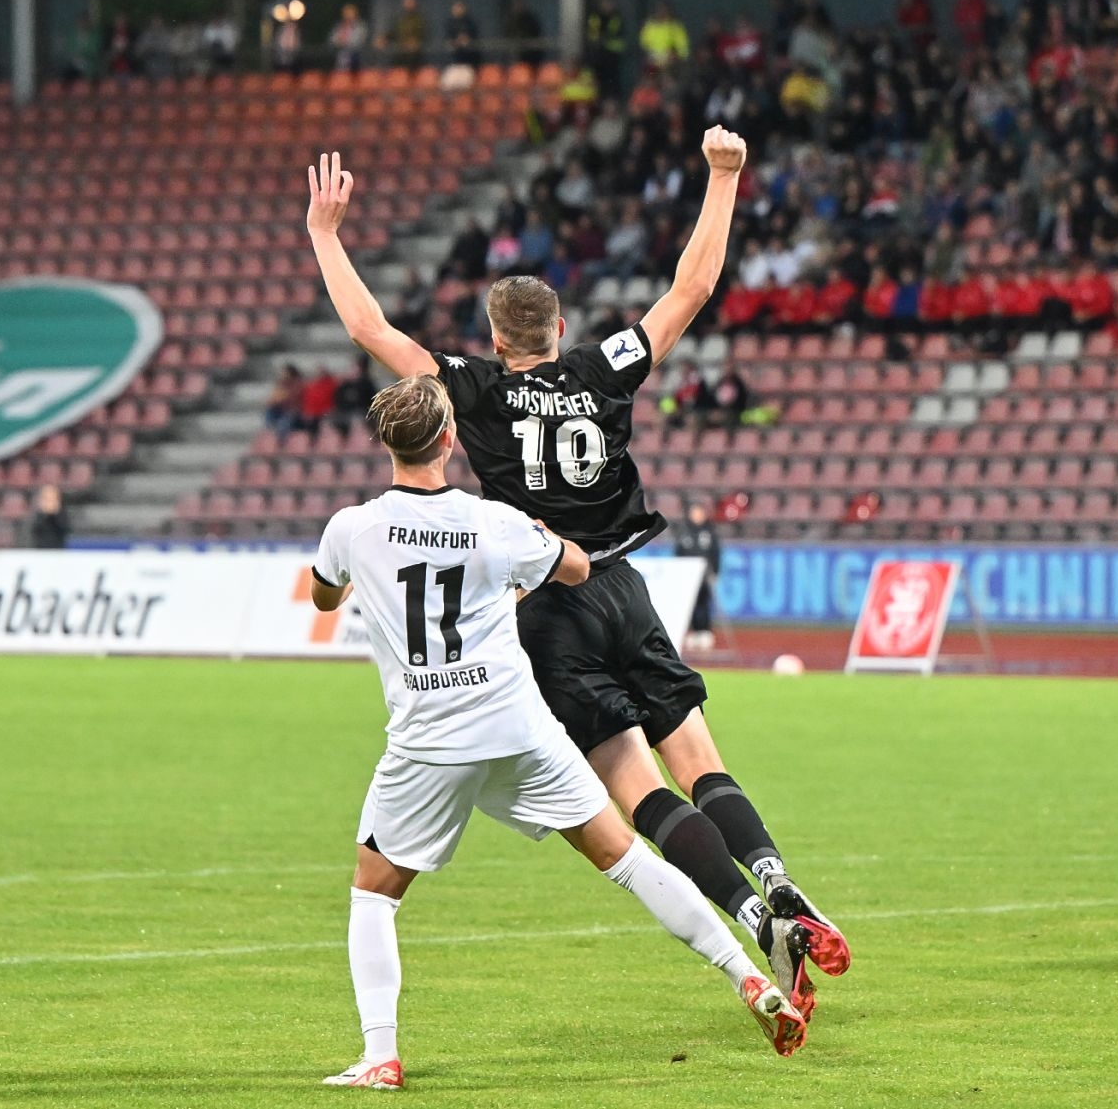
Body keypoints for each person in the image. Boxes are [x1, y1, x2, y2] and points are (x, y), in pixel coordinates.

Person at [303, 140, 848, 1024]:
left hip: (548, 609)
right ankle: (778, 880)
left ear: (495, 339)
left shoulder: (474, 390)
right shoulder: (602, 368)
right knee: (701, 761)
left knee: (639, 792)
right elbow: (692, 288)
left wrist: (327, 234)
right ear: (559, 330)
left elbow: (371, 330)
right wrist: (722, 177)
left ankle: (752, 918)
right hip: (626, 586)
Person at [308, 376, 805, 1087]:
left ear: (386, 443)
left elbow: (325, 595)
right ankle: (746, 977)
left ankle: (381, 1055)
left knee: (374, 893)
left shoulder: (350, 528)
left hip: (430, 740)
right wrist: (534, 549)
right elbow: (574, 568)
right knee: (626, 858)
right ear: (450, 439)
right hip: (518, 726)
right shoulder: (494, 522)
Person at [674, 501, 724, 653]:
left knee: (704, 603)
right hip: (687, 575)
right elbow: (678, 553)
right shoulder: (684, 532)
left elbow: (715, 553)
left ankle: (705, 630)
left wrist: (715, 571)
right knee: (690, 605)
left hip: (704, 575)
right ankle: (694, 631)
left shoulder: (709, 532)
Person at [22, 484, 69, 550]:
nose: (49, 502)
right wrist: (42, 514)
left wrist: (55, 514)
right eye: (46, 498)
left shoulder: (62, 514)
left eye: (52, 499)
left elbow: (65, 530)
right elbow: (32, 531)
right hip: (37, 550)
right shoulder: (33, 515)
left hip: (58, 550)